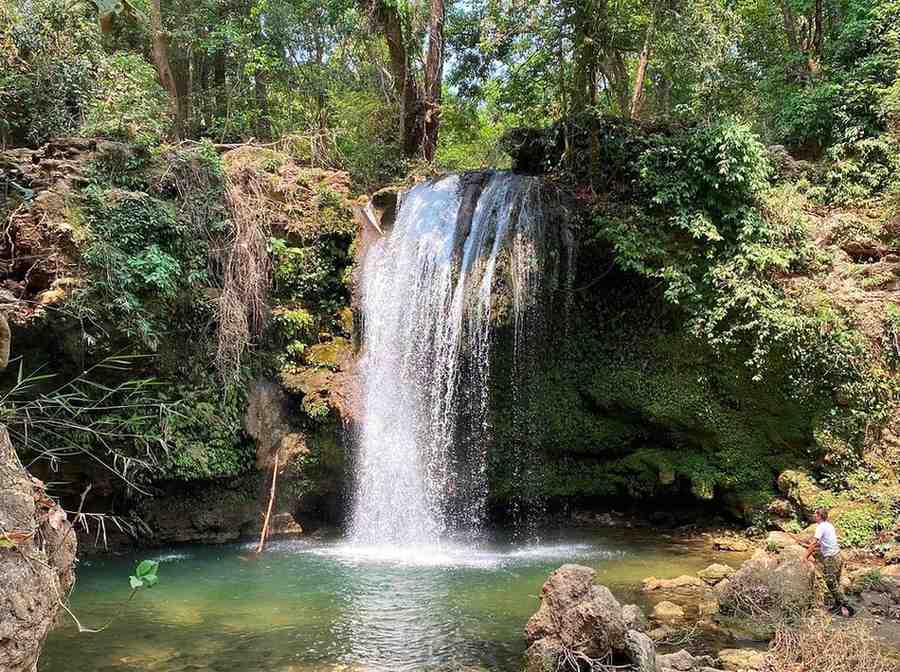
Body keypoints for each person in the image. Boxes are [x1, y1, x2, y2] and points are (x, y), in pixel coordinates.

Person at [791, 507, 855, 617]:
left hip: (831, 558)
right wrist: (809, 547)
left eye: (815, 515)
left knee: (830, 583)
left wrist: (805, 557)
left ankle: (848, 606)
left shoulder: (820, 527)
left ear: (819, 516)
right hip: (838, 556)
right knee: (836, 583)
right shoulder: (829, 525)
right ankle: (838, 607)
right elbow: (826, 542)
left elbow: (814, 543)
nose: (813, 516)